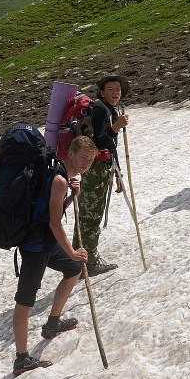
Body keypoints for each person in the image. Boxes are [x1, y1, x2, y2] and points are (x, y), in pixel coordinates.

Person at [12, 135, 96, 375]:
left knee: (73, 269)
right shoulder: (59, 179)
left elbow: (52, 212)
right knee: (25, 301)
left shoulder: (60, 175)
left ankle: (52, 324)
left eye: (90, 160)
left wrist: (71, 197)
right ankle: (21, 359)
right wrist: (71, 251)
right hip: (36, 246)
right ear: (70, 153)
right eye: (83, 158)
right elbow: (54, 223)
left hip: (46, 242)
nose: (86, 164)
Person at [75, 74, 129, 277]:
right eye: (111, 89)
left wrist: (118, 173)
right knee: (91, 216)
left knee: (88, 215)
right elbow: (97, 144)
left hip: (102, 168)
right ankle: (88, 262)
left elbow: (112, 147)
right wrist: (116, 127)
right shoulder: (100, 110)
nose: (116, 92)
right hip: (95, 169)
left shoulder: (110, 110)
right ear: (102, 93)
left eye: (118, 89)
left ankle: (79, 262)